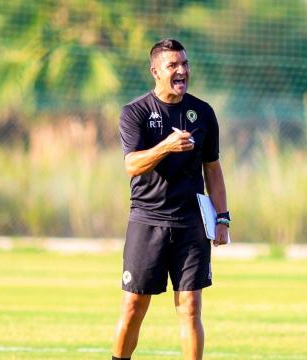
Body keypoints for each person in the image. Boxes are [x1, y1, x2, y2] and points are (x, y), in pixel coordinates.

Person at [111, 39, 230, 360]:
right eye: (173, 65)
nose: (182, 71)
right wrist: (166, 146)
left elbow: (213, 170)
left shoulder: (202, 112)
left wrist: (222, 218)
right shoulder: (135, 112)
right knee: (134, 305)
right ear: (155, 71)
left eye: (185, 64)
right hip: (147, 222)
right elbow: (131, 165)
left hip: (191, 224)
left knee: (190, 307)